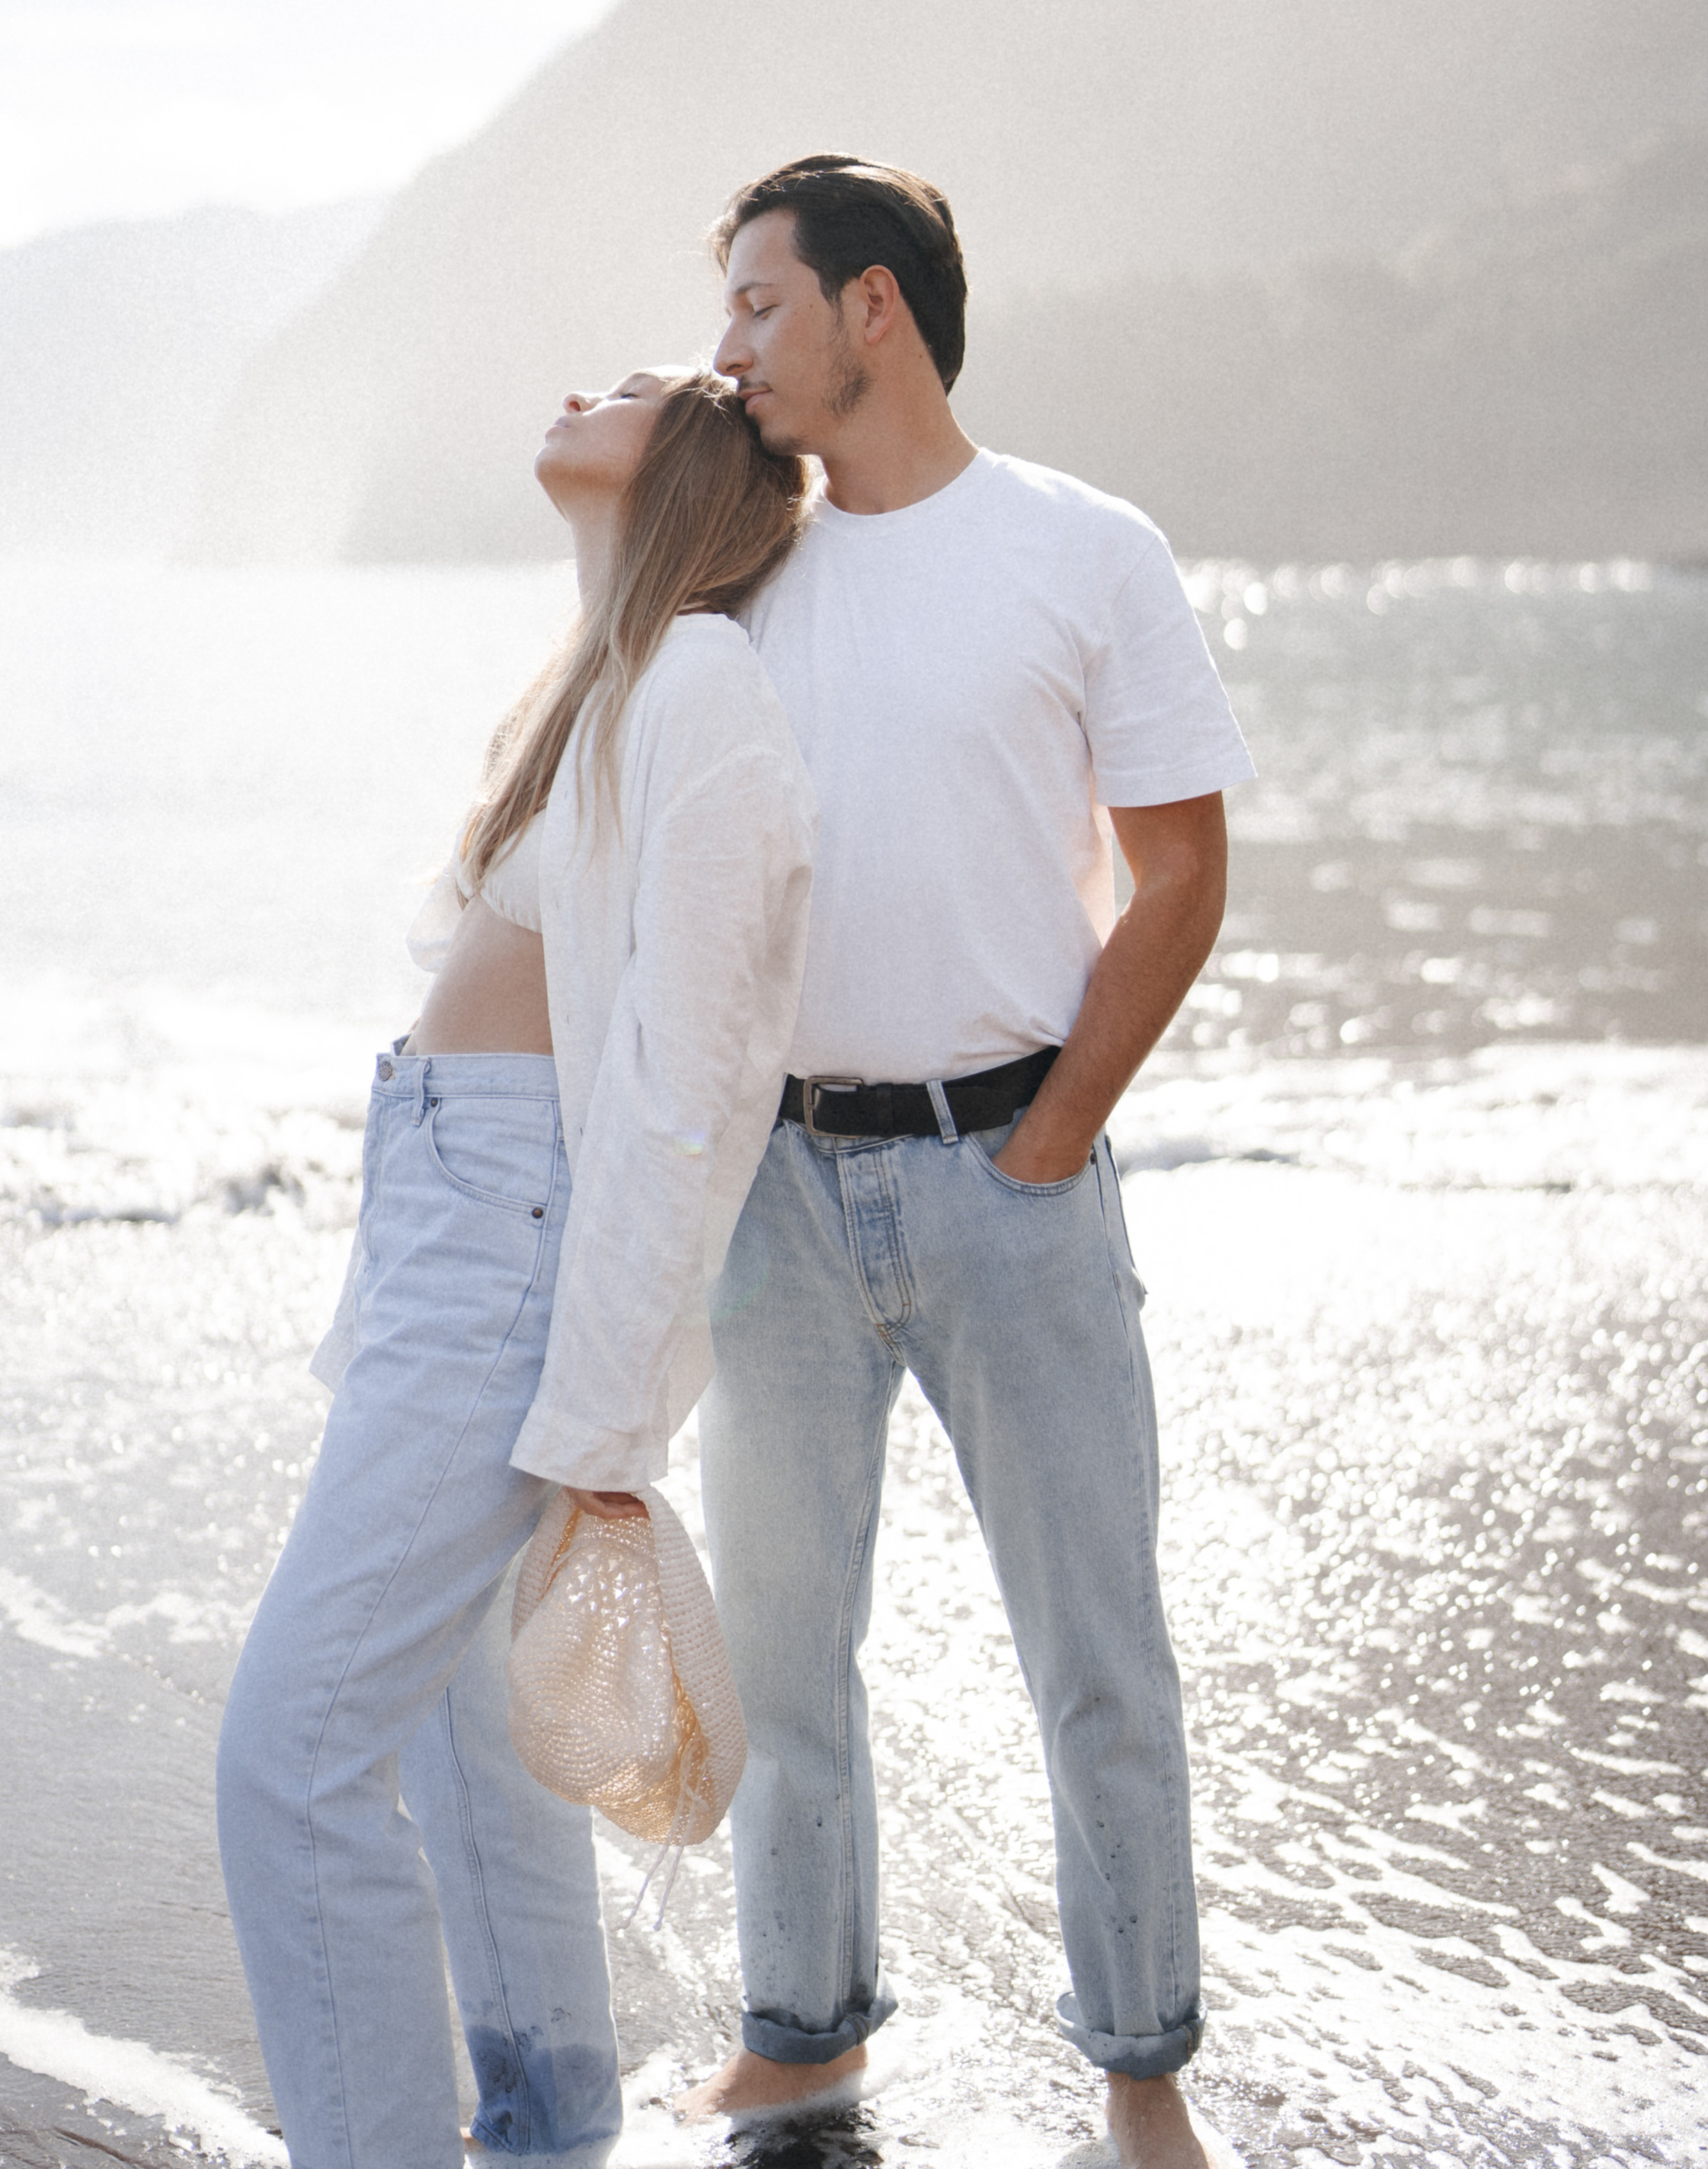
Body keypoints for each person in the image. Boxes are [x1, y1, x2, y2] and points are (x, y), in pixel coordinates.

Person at [685, 157, 1254, 2169]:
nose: (728, 348)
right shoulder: (738, 568)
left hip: (1010, 1171)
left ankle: (1142, 2069)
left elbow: (1182, 879)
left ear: (874, 314)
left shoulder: (1087, 552)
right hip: (779, 1188)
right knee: (781, 1669)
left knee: (1096, 1653)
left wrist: (1050, 1144)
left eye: (758, 306)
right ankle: (801, 2040)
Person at [216, 366, 815, 2169]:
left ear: (693, 463)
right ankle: (546, 2132)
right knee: (474, 1747)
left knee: (293, 1755)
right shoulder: (611, 685)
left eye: (634, 386)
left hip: (513, 1231)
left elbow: (687, 1075)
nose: (585, 386)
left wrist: (604, 1404)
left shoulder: (703, 682)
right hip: (457, 1209)